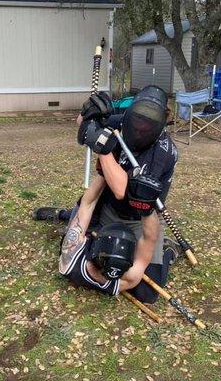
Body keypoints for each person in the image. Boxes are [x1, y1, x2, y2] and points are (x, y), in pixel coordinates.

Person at [50, 85, 179, 303]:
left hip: (143, 219)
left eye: (147, 124)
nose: (139, 128)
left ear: (160, 123)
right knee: (74, 243)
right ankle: (66, 214)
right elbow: (83, 125)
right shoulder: (120, 121)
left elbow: (122, 190)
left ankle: (167, 251)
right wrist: (89, 115)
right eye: (137, 119)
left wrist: (103, 149)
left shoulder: (164, 152)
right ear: (130, 112)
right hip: (107, 207)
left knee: (147, 293)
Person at [59, 176, 179, 298]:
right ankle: (168, 249)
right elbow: (150, 239)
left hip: (111, 216)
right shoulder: (129, 279)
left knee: (73, 229)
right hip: (126, 216)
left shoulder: (70, 258)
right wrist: (146, 208)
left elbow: (87, 203)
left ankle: (63, 214)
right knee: (147, 294)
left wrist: (103, 174)